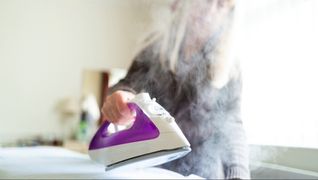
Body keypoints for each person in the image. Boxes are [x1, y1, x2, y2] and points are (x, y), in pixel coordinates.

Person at [101, 0, 250, 179]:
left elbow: (232, 125)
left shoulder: (229, 68)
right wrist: (121, 100)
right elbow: (129, 85)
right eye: (206, 0)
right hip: (154, 169)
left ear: (227, 14)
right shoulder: (154, 49)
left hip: (205, 171)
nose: (209, 10)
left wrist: (238, 173)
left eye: (220, 5)